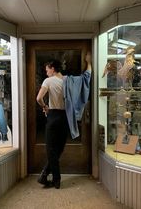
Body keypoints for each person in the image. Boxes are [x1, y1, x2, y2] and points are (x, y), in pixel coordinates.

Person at [36, 54, 92, 189]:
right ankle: (44, 175)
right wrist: (89, 62)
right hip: (66, 117)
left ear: (53, 68)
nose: (46, 72)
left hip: (53, 115)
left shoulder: (48, 81)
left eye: (47, 69)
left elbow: (38, 98)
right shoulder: (70, 81)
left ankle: (56, 179)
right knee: (59, 148)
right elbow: (86, 77)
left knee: (51, 148)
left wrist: (44, 107)